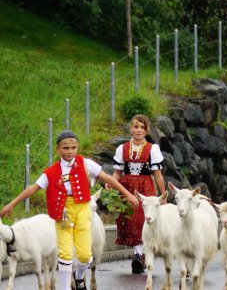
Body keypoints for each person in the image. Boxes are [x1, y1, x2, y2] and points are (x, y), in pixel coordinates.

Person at [0, 130, 139, 290]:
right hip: (63, 212)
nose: (70, 151)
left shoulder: (86, 164)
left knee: (85, 256)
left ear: (77, 147)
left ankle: (79, 276)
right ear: (58, 148)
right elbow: (33, 188)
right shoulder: (51, 172)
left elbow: (107, 177)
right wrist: (12, 204)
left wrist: (127, 194)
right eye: (66, 148)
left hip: (83, 210)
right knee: (65, 254)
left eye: (73, 147)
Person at [107, 114, 166, 273]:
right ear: (131, 128)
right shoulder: (122, 148)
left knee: (142, 219)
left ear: (147, 130)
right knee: (129, 220)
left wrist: (163, 195)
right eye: (136, 127)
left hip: (145, 188)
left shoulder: (152, 149)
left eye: (142, 127)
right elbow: (117, 173)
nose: (138, 130)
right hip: (126, 187)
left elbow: (158, 175)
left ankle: (140, 255)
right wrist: (111, 185)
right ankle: (138, 254)